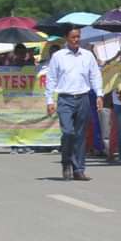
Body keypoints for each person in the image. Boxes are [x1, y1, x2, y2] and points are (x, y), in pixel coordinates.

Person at [44, 27, 103, 181]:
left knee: (80, 135)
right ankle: (66, 162)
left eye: (78, 37)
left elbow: (95, 75)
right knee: (68, 132)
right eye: (73, 37)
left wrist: (99, 94)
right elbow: (51, 78)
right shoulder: (58, 56)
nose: (76, 40)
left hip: (83, 97)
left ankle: (79, 169)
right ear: (66, 38)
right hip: (65, 99)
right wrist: (49, 100)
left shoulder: (87, 55)